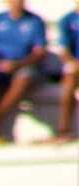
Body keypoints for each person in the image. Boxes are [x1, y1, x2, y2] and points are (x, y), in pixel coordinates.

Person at [0, 0, 49, 140]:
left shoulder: (34, 21)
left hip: (25, 66)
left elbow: (40, 52)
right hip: (1, 66)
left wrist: (17, 64)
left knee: (24, 76)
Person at [51, 1, 78, 140]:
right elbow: (64, 49)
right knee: (70, 79)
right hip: (76, 66)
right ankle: (64, 129)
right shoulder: (67, 20)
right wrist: (72, 62)